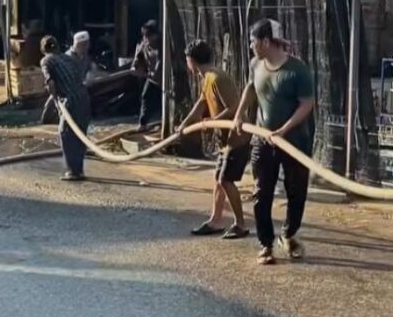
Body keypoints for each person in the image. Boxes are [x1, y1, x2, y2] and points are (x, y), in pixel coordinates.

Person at [233, 19, 315, 266]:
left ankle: (288, 235)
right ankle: (265, 244)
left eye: (253, 40)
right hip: (263, 139)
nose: (250, 45)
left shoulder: (297, 70)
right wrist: (239, 114)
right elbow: (250, 87)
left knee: (296, 191)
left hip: (294, 142)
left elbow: (307, 104)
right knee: (262, 192)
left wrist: (284, 129)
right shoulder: (256, 64)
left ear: (266, 41)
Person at [179, 39, 250, 240]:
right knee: (218, 180)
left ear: (191, 60)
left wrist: (212, 121)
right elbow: (201, 104)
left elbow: (234, 107)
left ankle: (241, 225)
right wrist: (184, 124)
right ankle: (216, 220)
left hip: (237, 138)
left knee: (225, 180)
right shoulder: (207, 78)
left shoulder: (218, 77)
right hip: (225, 140)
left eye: (187, 60)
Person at [40, 35, 92, 182]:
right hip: (84, 97)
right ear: (57, 46)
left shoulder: (46, 60)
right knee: (80, 133)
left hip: (71, 100)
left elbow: (50, 83)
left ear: (43, 50)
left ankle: (72, 172)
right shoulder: (68, 58)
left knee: (66, 133)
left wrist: (56, 100)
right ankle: (79, 170)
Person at [132, 20, 163, 130]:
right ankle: (143, 123)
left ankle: (163, 122)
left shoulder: (161, 46)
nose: (147, 39)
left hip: (164, 79)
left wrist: (151, 73)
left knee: (162, 101)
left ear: (155, 35)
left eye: (149, 36)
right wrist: (135, 66)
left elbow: (159, 65)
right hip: (152, 78)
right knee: (145, 96)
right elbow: (138, 58)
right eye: (145, 36)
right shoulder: (144, 44)